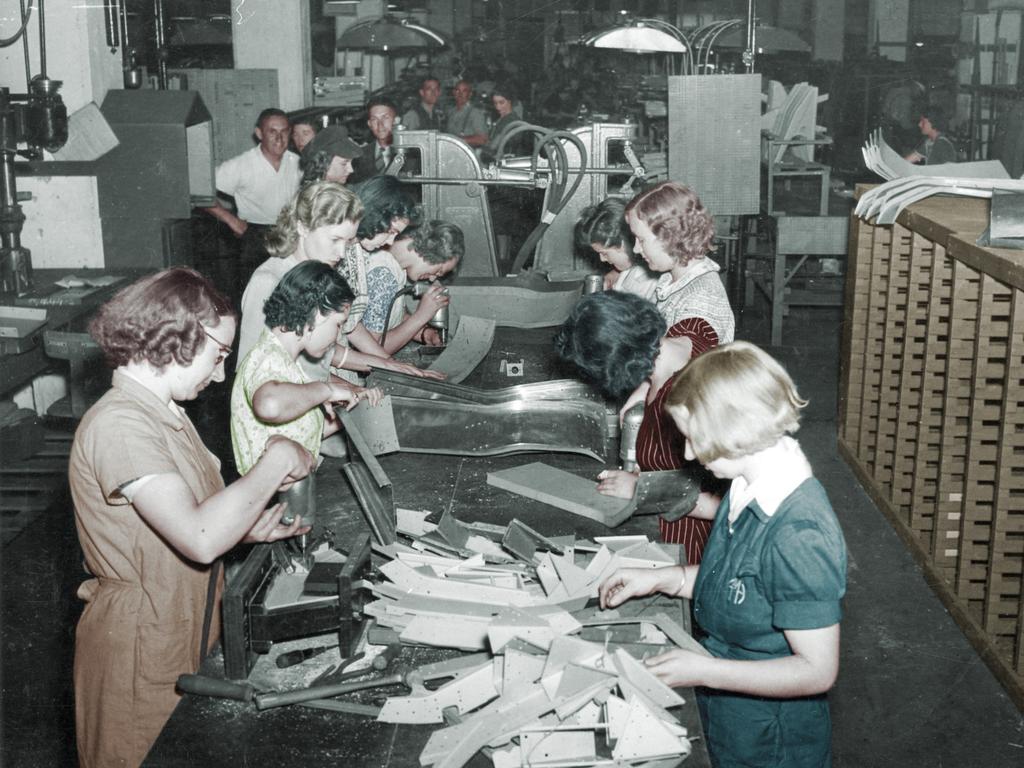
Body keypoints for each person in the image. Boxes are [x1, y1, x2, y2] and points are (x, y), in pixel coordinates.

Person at [69, 268, 315, 767]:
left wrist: (244, 528)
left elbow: (187, 520)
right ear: (179, 336)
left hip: (184, 620)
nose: (221, 374)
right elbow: (200, 538)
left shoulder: (165, 414)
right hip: (140, 642)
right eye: (219, 354)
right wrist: (274, 461)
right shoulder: (121, 424)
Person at [599, 341, 847, 768]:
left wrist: (704, 671)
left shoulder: (801, 534)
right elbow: (737, 580)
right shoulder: (749, 482)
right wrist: (666, 578)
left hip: (771, 730)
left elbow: (816, 671)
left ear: (735, 430)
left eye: (696, 439)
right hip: (729, 696)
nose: (691, 454)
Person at [554, 291, 719, 564]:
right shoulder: (688, 333)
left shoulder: (689, 403)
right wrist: (644, 387)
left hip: (692, 545)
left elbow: (732, 505)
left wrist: (642, 489)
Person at [231, 262, 366, 474]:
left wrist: (350, 414)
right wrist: (326, 390)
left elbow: (295, 433)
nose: (338, 335)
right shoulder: (269, 359)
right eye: (338, 324)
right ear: (318, 315)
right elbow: (269, 405)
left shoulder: (287, 362)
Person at [341, 175, 446, 379]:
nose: (390, 242)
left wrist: (392, 365)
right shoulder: (341, 254)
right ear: (372, 215)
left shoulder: (357, 253)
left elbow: (351, 324)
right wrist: (390, 365)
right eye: (390, 232)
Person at [206, 108, 302, 296]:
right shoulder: (241, 164)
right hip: (255, 239)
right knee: (256, 295)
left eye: (284, 132)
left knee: (290, 293)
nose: (279, 138)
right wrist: (231, 220)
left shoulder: (298, 162)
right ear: (259, 134)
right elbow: (199, 190)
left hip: (290, 234)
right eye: (272, 132)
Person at [624, 181, 734, 342]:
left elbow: (684, 359)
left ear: (670, 235)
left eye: (641, 240)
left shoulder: (702, 299)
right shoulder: (673, 280)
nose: (635, 249)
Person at [363, 220, 464, 353]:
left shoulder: (395, 265)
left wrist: (424, 333)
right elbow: (373, 350)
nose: (433, 278)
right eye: (439, 271)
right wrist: (422, 315)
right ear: (431, 251)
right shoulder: (383, 274)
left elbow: (392, 313)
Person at [574, 197, 656, 295]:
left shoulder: (647, 283)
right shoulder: (628, 270)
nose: (602, 259)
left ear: (623, 243)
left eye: (604, 253)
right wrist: (615, 273)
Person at [350, 96, 399, 184]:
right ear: (369, 124)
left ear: (396, 121)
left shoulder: (409, 154)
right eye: (374, 119)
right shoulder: (359, 156)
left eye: (385, 118)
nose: (380, 124)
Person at [480, 82, 528, 165]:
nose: (498, 107)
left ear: (510, 101)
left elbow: (492, 148)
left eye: (501, 102)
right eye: (495, 103)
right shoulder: (503, 119)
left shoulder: (509, 121)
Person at [446, 79, 489, 148]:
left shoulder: (475, 113)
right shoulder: (451, 112)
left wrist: (456, 140)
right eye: (457, 90)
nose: (460, 94)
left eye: (464, 91)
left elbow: (483, 139)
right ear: (454, 92)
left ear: (470, 94)